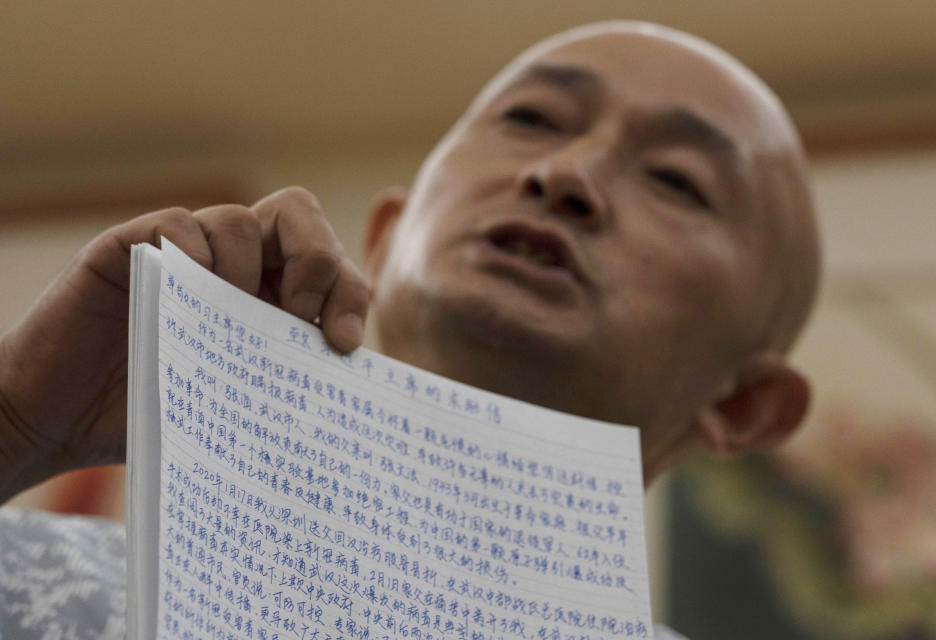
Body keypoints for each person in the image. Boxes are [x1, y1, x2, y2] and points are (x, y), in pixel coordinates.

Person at [0, 21, 819, 639]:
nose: (567, 174)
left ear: (746, 402)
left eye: (677, 180)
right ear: (387, 239)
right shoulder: (42, 586)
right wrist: (18, 420)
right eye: (533, 119)